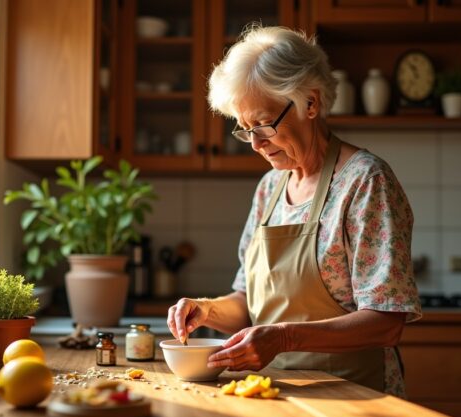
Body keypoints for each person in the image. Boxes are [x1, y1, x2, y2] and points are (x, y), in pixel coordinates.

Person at [166, 25, 422, 397]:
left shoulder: (365, 181)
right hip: (274, 392)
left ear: (310, 103)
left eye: (263, 124)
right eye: (244, 129)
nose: (255, 144)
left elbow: (386, 322)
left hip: (355, 396)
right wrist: (206, 310)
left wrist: (284, 338)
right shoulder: (270, 187)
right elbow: (247, 303)